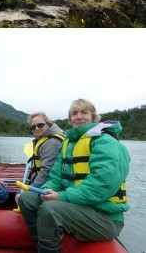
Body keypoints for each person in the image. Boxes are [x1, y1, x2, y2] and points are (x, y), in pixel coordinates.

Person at [18, 98, 130, 253]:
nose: (79, 116)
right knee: (27, 199)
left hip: (105, 217)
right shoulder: (68, 144)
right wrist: (46, 190)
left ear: (93, 117)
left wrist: (61, 197)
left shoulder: (106, 142)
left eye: (84, 112)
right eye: (74, 113)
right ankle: (42, 244)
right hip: (77, 205)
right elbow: (56, 177)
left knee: (50, 209)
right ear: (70, 120)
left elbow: (101, 185)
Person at [26, 112, 65, 188]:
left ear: (48, 124)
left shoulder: (52, 143)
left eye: (40, 125)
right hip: (45, 182)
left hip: (51, 186)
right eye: (33, 127)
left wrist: (30, 188)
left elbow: (46, 173)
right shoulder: (44, 140)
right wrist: (31, 180)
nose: (36, 128)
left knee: (21, 196)